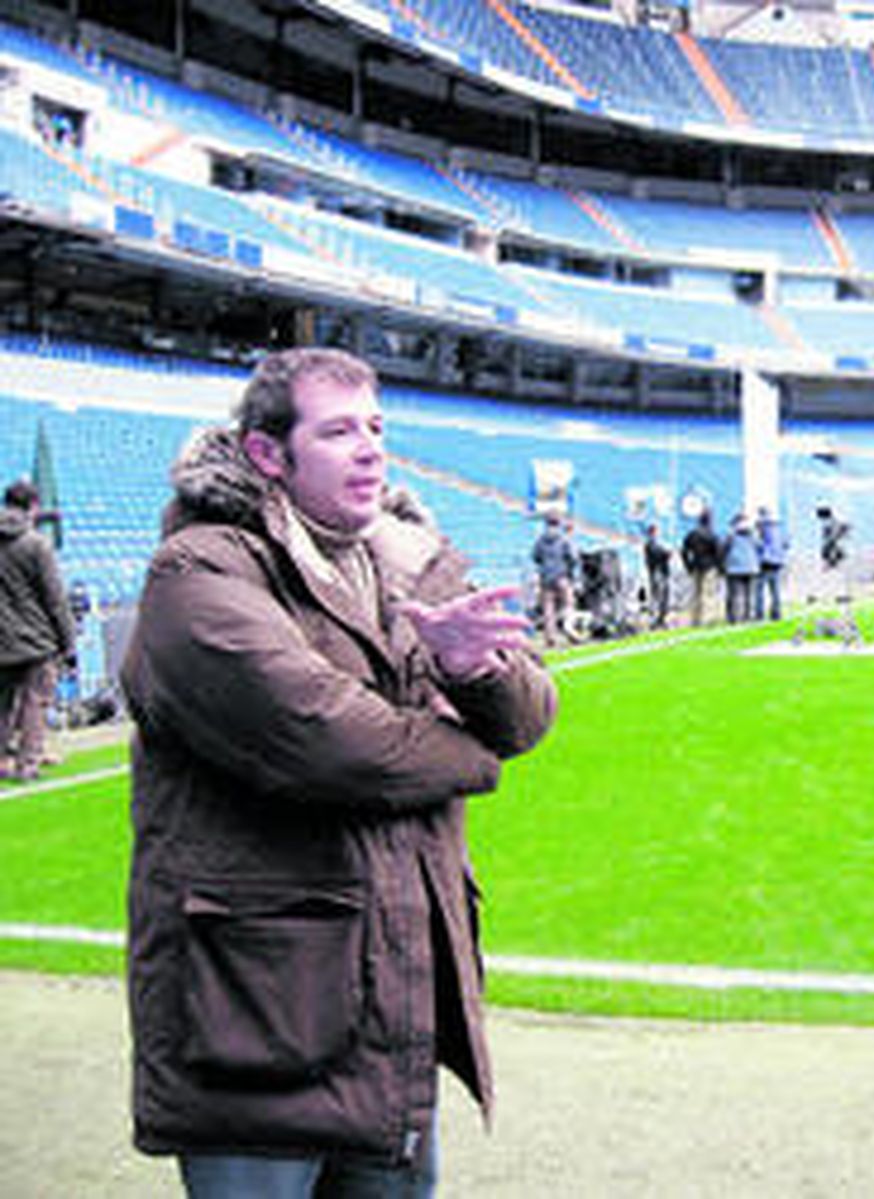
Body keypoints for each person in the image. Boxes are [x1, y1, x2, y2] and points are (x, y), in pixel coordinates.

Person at [120, 347, 559, 1197]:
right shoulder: (200, 571)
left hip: (392, 991)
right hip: (254, 1008)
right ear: (266, 454)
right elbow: (328, 739)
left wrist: (472, 674)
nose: (369, 449)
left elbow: (531, 712)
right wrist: (471, 754)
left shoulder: (407, 558)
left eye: (376, 427)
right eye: (337, 431)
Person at [0, 479, 74, 782]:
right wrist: (68, 643)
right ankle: (27, 763)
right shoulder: (35, 544)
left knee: (1, 706)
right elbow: (55, 599)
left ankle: (2, 761)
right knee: (35, 702)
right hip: (35, 640)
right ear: (32, 506)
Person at [530, 510, 578, 647]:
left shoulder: (540, 540)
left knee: (548, 609)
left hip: (545, 577)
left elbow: (535, 557)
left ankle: (550, 638)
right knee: (569, 603)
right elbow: (573, 558)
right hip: (561, 576)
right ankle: (569, 628)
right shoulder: (563, 539)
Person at [680, 509, 721, 627]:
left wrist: (688, 565)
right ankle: (707, 620)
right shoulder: (712, 535)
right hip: (709, 567)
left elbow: (683, 551)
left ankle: (695, 621)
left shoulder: (692, 534)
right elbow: (718, 552)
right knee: (708, 594)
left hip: (696, 567)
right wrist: (719, 567)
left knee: (696, 595)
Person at [721, 512, 760, 624]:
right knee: (749, 594)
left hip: (734, 568)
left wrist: (722, 564)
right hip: (751, 567)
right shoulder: (753, 535)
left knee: (734, 594)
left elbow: (723, 550)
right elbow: (759, 547)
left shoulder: (730, 536)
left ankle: (733, 617)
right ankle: (747, 616)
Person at [754, 507, 788, 621]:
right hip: (778, 561)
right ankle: (776, 614)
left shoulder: (761, 527)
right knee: (775, 590)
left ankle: (759, 614)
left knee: (759, 589)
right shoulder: (780, 528)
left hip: (765, 561)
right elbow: (786, 543)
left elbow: (758, 543)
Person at [641, 522, 672, 628]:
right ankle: (654, 620)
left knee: (663, 597)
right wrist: (666, 554)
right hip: (656, 572)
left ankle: (661, 619)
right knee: (657, 597)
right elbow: (657, 555)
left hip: (662, 572)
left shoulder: (657, 544)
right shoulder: (650, 544)